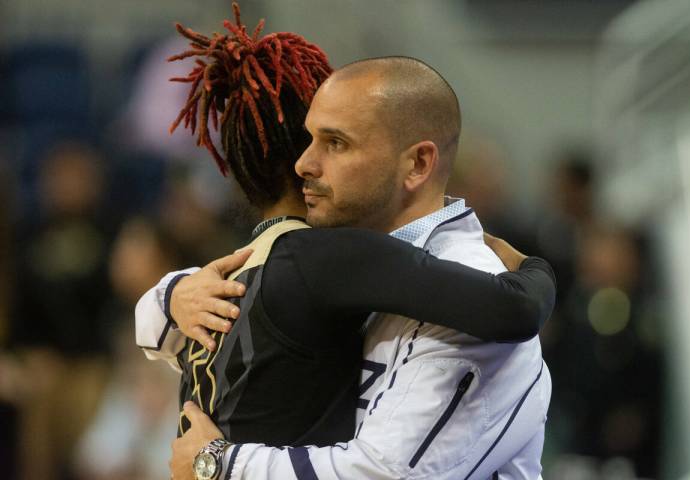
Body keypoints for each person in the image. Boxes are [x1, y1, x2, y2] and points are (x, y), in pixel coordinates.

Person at [136, 6, 555, 479]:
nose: (304, 164)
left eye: (335, 143)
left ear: (417, 165)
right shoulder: (329, 263)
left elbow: (388, 474)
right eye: (308, 139)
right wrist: (174, 295)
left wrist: (219, 464)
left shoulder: (468, 282)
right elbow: (157, 322)